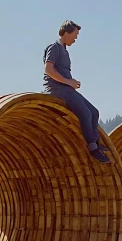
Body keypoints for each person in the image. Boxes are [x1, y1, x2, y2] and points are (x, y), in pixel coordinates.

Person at [42, 20, 110, 164]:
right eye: (75, 35)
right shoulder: (54, 47)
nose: (76, 38)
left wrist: (71, 82)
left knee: (94, 112)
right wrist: (68, 82)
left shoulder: (65, 51)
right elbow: (48, 69)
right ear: (66, 33)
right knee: (85, 113)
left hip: (67, 88)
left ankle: (96, 142)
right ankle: (92, 149)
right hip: (57, 89)